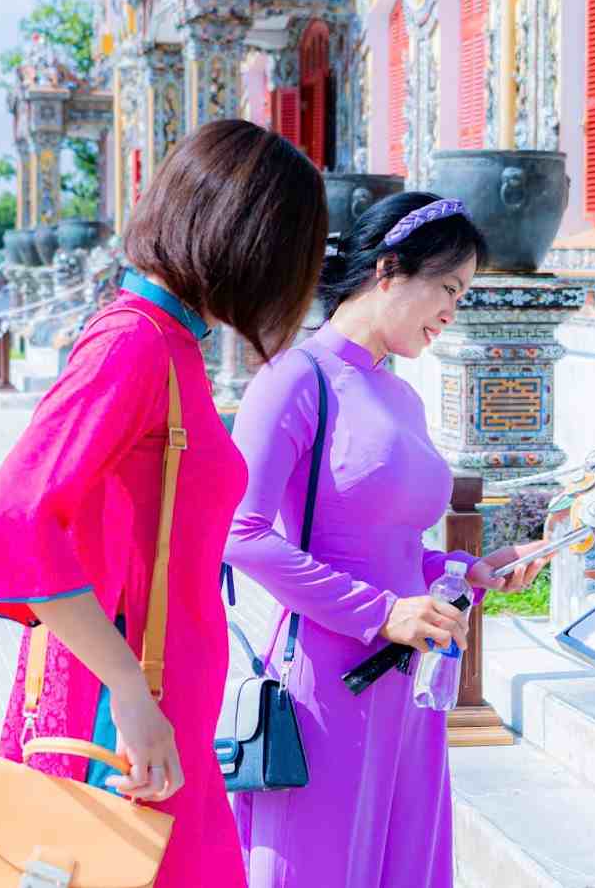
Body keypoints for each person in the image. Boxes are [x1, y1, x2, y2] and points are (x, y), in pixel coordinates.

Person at [0, 119, 327, 888]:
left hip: (166, 729)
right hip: (126, 731)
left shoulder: (172, 345)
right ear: (244, 239)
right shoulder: (132, 343)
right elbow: (14, 516)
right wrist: (130, 691)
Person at [225, 190, 551, 888]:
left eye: (461, 295)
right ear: (389, 268)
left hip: (414, 683)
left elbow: (399, 547)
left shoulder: (401, 395)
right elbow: (241, 532)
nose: (451, 311)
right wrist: (380, 612)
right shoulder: (294, 378)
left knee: (406, 866)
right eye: (447, 288)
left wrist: (469, 570)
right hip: (330, 674)